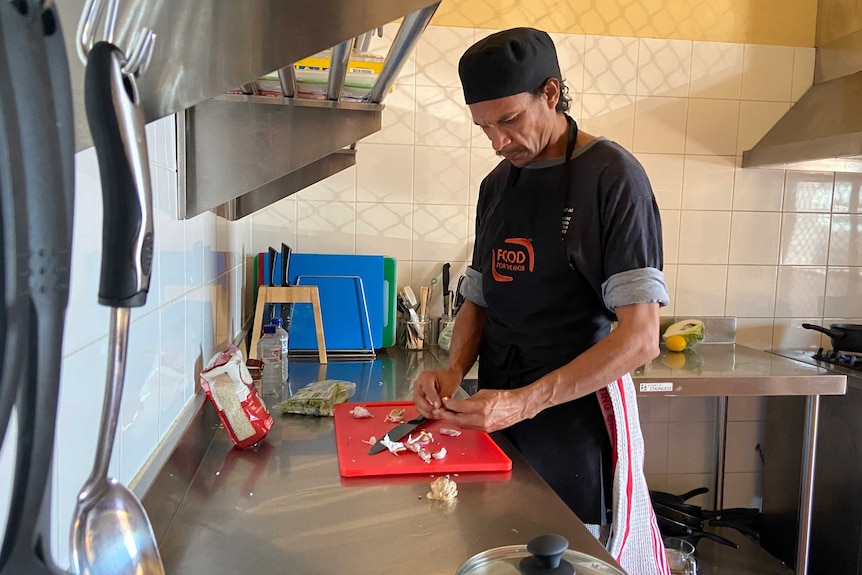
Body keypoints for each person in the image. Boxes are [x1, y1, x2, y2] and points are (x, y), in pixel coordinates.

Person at [412, 28, 671, 575]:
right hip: (496, 414)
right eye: (484, 127)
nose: (498, 142)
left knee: (560, 559)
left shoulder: (613, 178)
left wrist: (527, 401)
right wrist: (454, 369)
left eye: (509, 120)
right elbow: (478, 299)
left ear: (551, 93)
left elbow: (641, 336)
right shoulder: (496, 185)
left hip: (574, 423)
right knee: (494, 549)